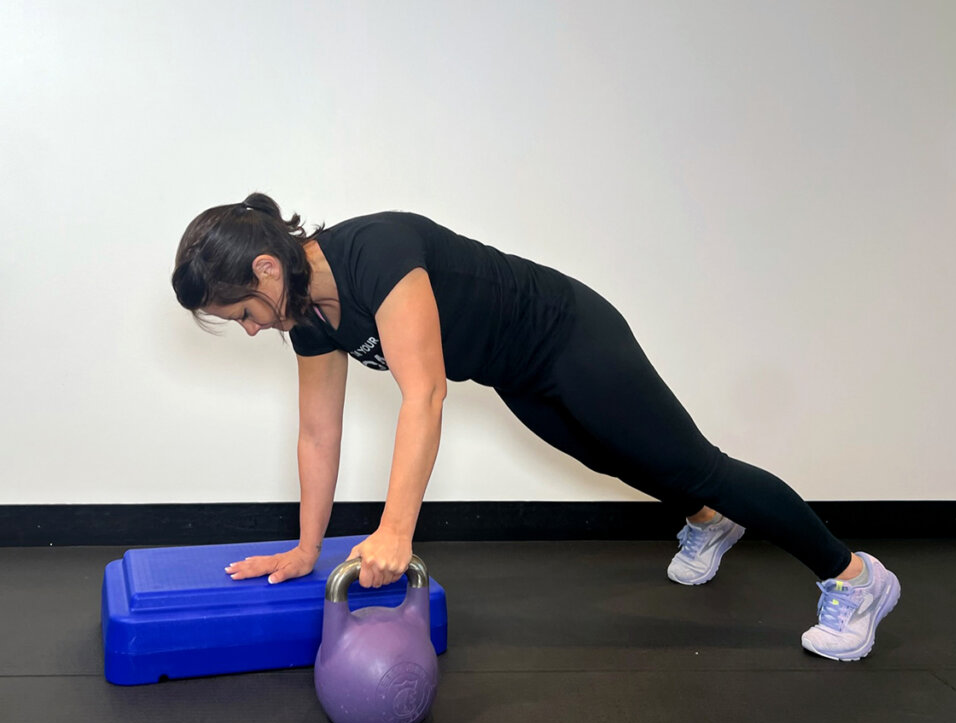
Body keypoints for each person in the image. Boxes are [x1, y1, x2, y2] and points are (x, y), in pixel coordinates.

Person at [172, 193, 901, 662]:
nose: (247, 329)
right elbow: (317, 435)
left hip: (568, 332)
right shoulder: (309, 319)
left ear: (268, 268)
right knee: (617, 457)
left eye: (242, 312)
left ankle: (853, 575)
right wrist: (305, 549)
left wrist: (396, 531)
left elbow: (423, 395)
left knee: (695, 461)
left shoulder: (377, 254)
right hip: (516, 372)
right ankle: (709, 521)